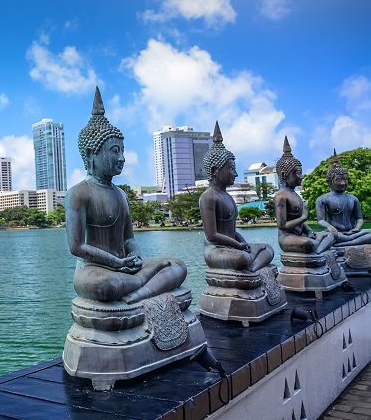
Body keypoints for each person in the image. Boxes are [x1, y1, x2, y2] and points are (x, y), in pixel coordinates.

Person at [66, 87, 187, 305]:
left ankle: (141, 291)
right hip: (95, 272)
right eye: (114, 151)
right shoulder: (79, 193)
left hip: (124, 267)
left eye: (123, 151)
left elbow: (129, 238)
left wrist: (136, 256)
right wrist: (115, 262)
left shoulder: (121, 194)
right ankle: (145, 284)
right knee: (105, 287)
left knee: (177, 265)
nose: (122, 158)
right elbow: (76, 247)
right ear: (92, 153)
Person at [200, 122, 274, 272]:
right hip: (216, 250)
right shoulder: (208, 197)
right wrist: (238, 246)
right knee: (242, 258)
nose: (235, 174)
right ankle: (251, 267)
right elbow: (212, 235)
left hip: (232, 246)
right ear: (215, 170)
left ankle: (251, 270)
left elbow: (231, 231)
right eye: (232, 169)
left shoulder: (227, 196)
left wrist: (243, 242)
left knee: (268, 249)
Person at [273, 137, 334, 254]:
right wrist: (304, 217)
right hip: (287, 238)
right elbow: (282, 226)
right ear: (284, 174)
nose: (301, 176)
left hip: (301, 234)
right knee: (308, 243)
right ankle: (317, 251)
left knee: (329, 235)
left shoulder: (295, 194)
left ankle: (317, 251)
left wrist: (310, 231)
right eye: (298, 172)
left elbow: (300, 223)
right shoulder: (281, 196)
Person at [315, 150, 371, 247]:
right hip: (336, 233)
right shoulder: (322, 199)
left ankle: (345, 244)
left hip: (352, 233)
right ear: (329, 182)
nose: (343, 183)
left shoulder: (353, 199)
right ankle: (346, 242)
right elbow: (320, 220)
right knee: (328, 236)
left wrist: (356, 228)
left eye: (345, 179)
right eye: (338, 180)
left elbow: (359, 218)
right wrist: (329, 226)